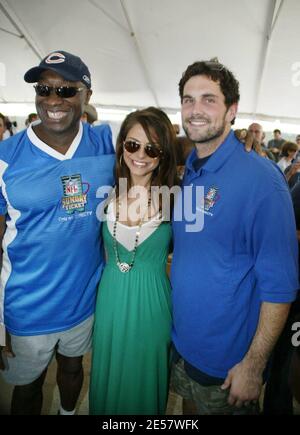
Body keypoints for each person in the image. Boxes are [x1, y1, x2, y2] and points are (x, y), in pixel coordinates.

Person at [170, 60, 299, 415]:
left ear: (232, 110)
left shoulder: (263, 181)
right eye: (187, 99)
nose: (195, 110)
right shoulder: (191, 169)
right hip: (183, 346)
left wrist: (254, 366)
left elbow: (280, 287)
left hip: (229, 366)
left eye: (208, 100)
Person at [0, 50, 115, 415]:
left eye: (66, 90)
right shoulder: (6, 157)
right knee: (28, 387)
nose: (53, 100)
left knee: (71, 369)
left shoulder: (105, 145)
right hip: (26, 305)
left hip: (83, 299)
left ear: (87, 96)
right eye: (44, 88)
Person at [89, 107, 178, 415]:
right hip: (110, 300)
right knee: (108, 380)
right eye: (132, 144)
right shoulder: (107, 192)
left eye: (152, 148)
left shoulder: (177, 198)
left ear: (164, 153)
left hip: (152, 306)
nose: (140, 155)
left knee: (143, 387)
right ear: (122, 146)